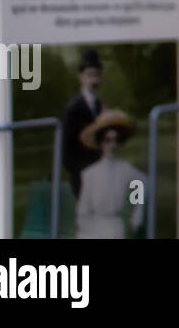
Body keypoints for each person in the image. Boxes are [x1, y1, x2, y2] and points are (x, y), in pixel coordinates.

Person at [75, 109, 147, 239]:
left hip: (115, 225)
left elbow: (142, 182)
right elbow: (83, 210)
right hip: (94, 226)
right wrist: (88, 229)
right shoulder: (90, 173)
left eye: (116, 140)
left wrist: (138, 212)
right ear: (101, 142)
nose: (112, 145)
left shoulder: (125, 169)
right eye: (108, 140)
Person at [61, 48, 104, 198]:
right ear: (81, 78)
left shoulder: (98, 106)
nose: (94, 81)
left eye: (97, 75)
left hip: (101, 178)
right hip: (82, 179)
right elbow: (65, 152)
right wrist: (82, 172)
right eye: (90, 75)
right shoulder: (73, 109)